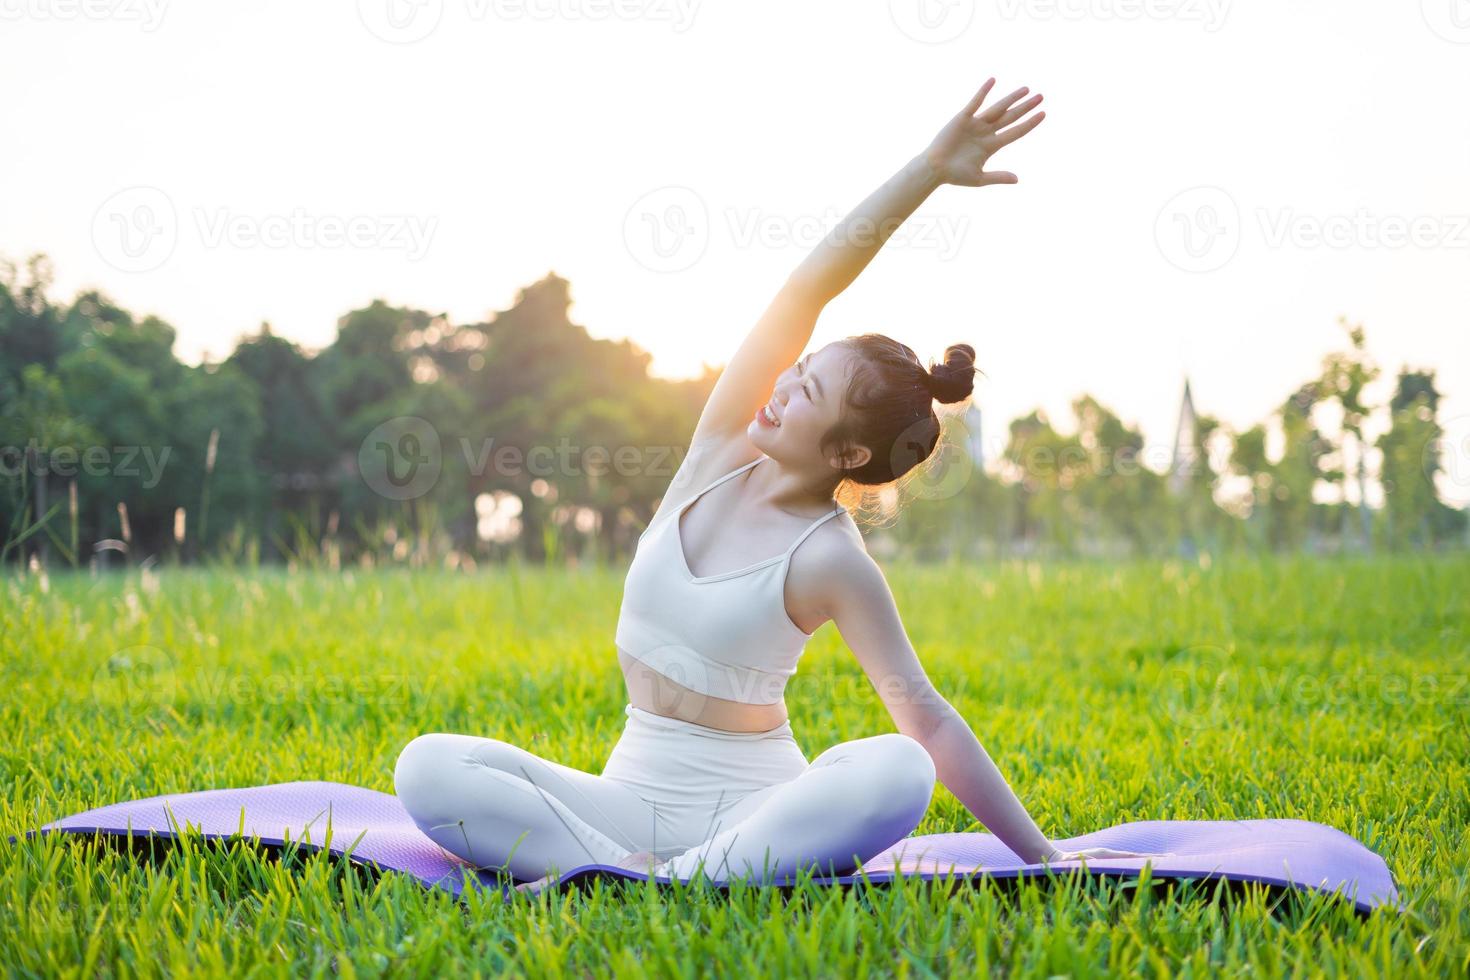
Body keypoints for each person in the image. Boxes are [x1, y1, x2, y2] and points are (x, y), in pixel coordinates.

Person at [393, 76, 1155, 895]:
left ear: (851, 456)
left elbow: (925, 718)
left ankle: (652, 882)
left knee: (897, 769)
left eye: (808, 393)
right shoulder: (716, 451)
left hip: (761, 816)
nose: (782, 385)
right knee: (429, 766)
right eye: (797, 370)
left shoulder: (831, 559)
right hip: (622, 802)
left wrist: (1046, 858)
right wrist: (929, 169)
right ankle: (643, 877)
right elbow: (806, 289)